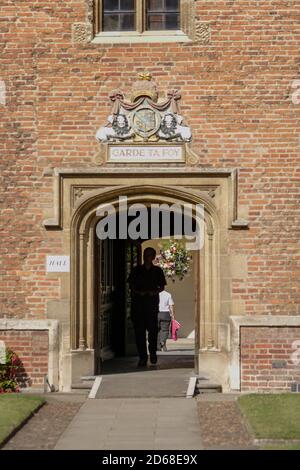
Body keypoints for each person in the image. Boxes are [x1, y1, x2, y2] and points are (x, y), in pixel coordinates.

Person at [128, 247, 167, 367]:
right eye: (146, 254)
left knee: (153, 331)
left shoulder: (157, 271)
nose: (148, 257)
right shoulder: (136, 270)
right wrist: (139, 293)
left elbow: (162, 286)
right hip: (138, 305)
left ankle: (153, 353)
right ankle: (142, 357)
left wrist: (154, 292)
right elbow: (131, 285)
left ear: (154, 256)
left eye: (150, 255)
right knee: (139, 333)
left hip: (151, 305)